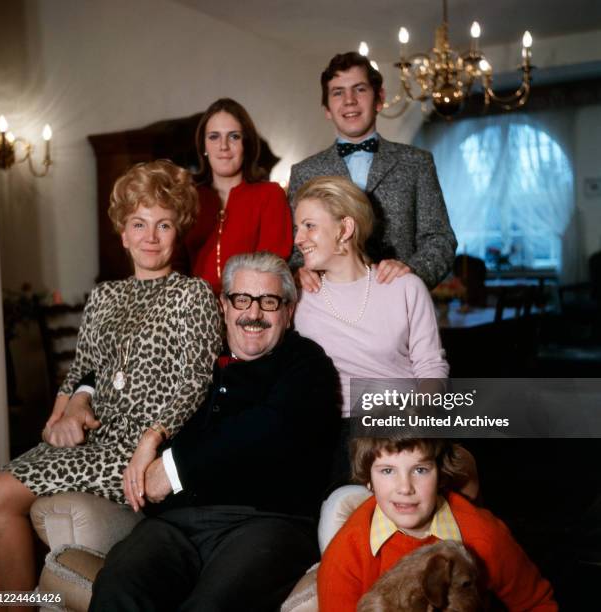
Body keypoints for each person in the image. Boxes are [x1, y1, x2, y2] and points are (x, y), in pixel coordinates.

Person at [0, 160, 221, 598]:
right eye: (139, 223)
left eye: (163, 225)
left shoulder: (193, 295)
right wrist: (65, 411)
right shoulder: (103, 295)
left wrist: (151, 441)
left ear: (179, 231)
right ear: (123, 232)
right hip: (94, 441)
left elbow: (196, 381)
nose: (150, 237)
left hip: (136, 454)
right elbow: (81, 372)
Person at [89, 252, 341, 612]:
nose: (253, 314)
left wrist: (173, 469)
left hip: (266, 524)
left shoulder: (306, 363)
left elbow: (266, 429)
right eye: (241, 300)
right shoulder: (197, 356)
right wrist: (80, 395)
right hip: (173, 526)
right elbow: (115, 364)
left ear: (288, 311)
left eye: (268, 302)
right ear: (224, 306)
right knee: (118, 589)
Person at [293, 176, 450, 483]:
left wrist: (417, 421)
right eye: (297, 227)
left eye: (309, 225)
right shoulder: (297, 295)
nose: (298, 238)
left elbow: (431, 366)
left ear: (345, 229)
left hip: (404, 422)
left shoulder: (404, 285)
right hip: (336, 433)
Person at [317, 436, 558, 611]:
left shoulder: (484, 536)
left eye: (420, 469)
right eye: (387, 471)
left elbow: (537, 604)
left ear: (441, 475)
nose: (404, 488)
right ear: (368, 481)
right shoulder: (345, 553)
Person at [288, 51, 456, 291]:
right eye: (338, 92)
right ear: (326, 108)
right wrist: (298, 273)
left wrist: (412, 273)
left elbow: (440, 240)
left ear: (379, 98)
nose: (349, 100)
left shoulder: (417, 163)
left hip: (398, 303)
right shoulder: (304, 172)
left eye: (359, 89)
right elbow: (294, 250)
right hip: (328, 306)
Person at [184, 98, 293, 294]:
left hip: (250, 305)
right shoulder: (188, 198)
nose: (223, 146)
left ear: (247, 143)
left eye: (233, 136)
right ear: (203, 146)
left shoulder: (270, 195)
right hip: (194, 309)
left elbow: (272, 267)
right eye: (214, 137)